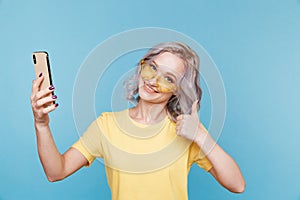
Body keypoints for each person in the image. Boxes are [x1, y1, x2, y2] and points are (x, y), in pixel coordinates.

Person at [30, 42, 245, 200]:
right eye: (152, 67)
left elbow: (237, 185)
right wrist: (41, 124)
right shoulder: (107, 125)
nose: (153, 80)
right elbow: (55, 172)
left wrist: (199, 134)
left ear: (178, 91)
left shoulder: (187, 131)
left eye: (168, 78)